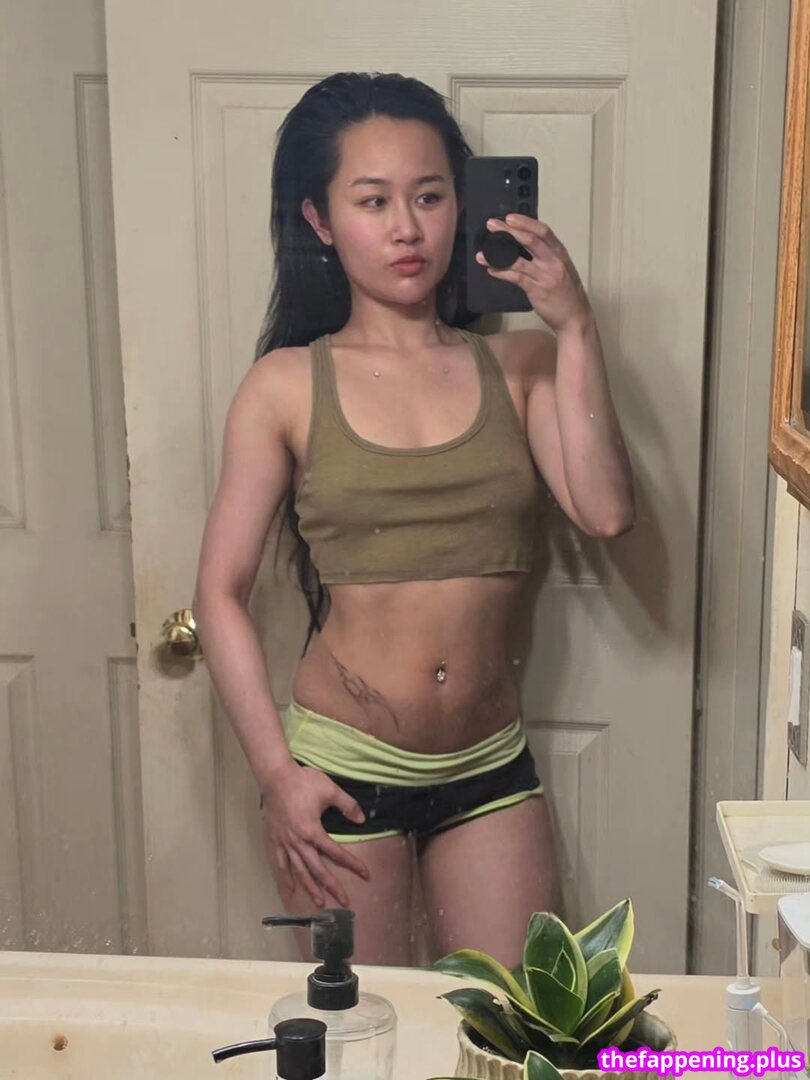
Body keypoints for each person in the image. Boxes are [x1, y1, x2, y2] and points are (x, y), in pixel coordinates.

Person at [193, 71, 635, 969]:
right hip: (340, 772)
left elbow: (606, 511)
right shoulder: (285, 384)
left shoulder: (521, 365)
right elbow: (219, 594)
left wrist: (576, 326)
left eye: (429, 196)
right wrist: (278, 773)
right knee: (365, 1033)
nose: (406, 228)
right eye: (373, 201)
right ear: (321, 221)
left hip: (488, 767)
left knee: (512, 1026)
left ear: (460, 206)